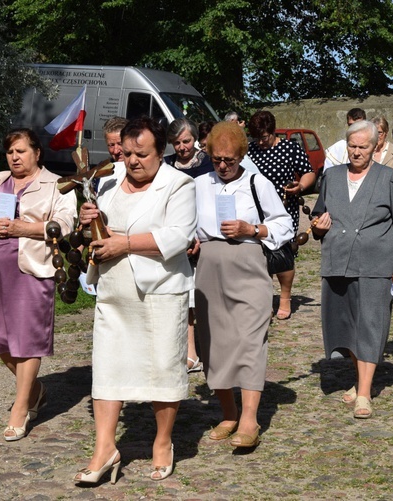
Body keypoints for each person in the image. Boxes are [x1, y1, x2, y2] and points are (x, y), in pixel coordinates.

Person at [75, 117, 197, 484]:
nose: (132, 161)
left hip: (160, 292)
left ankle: (162, 442)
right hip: (114, 291)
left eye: (141, 154)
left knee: (162, 367)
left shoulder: (180, 185)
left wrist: (124, 243)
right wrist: (86, 222)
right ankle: (105, 448)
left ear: (161, 151)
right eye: (126, 153)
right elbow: (97, 233)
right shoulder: (109, 183)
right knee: (108, 368)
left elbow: (177, 236)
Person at [0, 129, 77, 441]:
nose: (15, 157)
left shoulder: (56, 184)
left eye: (21, 151)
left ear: (37, 154)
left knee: (28, 338)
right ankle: (37, 390)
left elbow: (66, 224)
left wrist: (23, 227)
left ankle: (21, 407)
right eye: (11, 152)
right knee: (0, 340)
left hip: (34, 268)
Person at [193, 121, 293, 448]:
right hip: (209, 269)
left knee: (251, 339)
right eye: (217, 159)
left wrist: (252, 230)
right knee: (214, 343)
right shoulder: (198, 185)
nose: (222, 166)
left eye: (229, 160)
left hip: (249, 266)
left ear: (241, 155)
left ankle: (250, 420)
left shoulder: (256, 182)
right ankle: (229, 412)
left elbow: (284, 224)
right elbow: (186, 224)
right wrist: (191, 240)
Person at [312, 120, 393, 418]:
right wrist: (318, 227)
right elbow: (319, 215)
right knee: (348, 325)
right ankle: (360, 378)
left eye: (363, 147)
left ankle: (365, 393)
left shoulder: (390, 178)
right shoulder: (331, 176)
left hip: (375, 263)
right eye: (352, 146)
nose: (356, 152)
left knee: (370, 324)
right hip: (338, 260)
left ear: (375, 147)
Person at [248, 110, 315, 320]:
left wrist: (300, 186)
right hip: (257, 210)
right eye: (257, 138)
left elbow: (309, 171)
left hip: (284, 209)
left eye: (264, 137)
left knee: (283, 254)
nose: (261, 142)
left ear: (272, 131)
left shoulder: (289, 148)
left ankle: (285, 297)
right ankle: (265, 299)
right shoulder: (250, 150)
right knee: (260, 256)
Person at [164, 118, 214, 373]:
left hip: (204, 233)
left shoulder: (208, 164)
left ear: (194, 139)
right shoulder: (166, 166)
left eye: (186, 141)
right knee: (185, 296)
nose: (182, 147)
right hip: (177, 234)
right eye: (177, 143)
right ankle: (190, 351)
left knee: (205, 296)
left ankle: (210, 349)